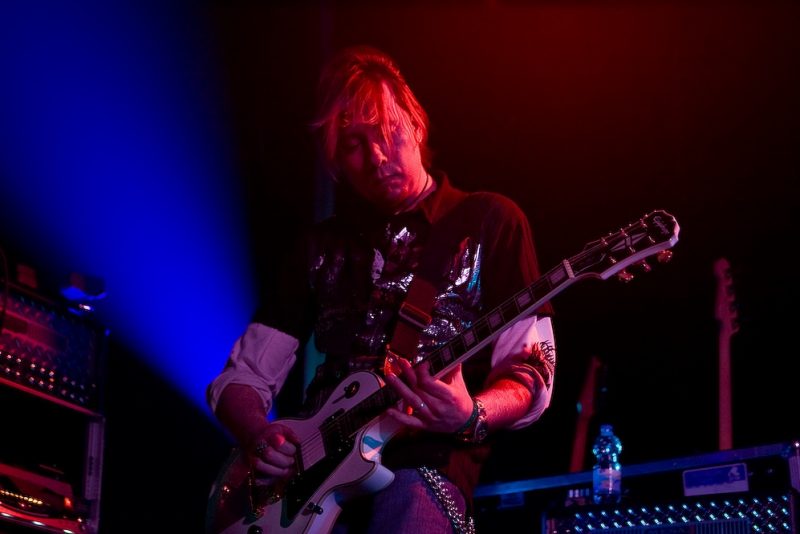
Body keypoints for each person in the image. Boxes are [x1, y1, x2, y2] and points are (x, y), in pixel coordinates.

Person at [207, 45, 557, 534]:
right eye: (354, 144)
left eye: (388, 132)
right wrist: (258, 437)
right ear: (336, 159)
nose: (375, 157)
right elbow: (243, 378)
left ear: (416, 124)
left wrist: (470, 413)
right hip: (309, 476)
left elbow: (531, 370)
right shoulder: (319, 245)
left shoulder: (490, 221)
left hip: (424, 463)